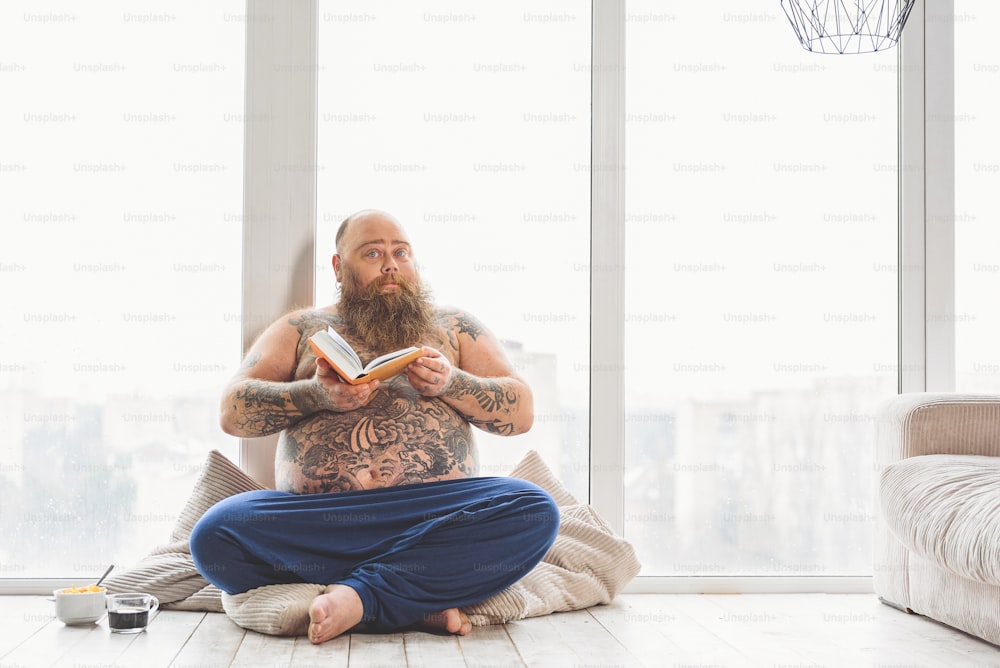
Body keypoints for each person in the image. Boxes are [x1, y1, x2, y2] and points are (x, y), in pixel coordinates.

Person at [190, 209, 559, 644]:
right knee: (215, 534)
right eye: (372, 253)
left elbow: (521, 413)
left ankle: (363, 597)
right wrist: (315, 394)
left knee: (534, 508)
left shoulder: (455, 327)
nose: (391, 264)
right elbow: (232, 413)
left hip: (434, 516)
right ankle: (410, 596)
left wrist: (451, 382)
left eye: (401, 252)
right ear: (338, 267)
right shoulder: (300, 328)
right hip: (323, 526)